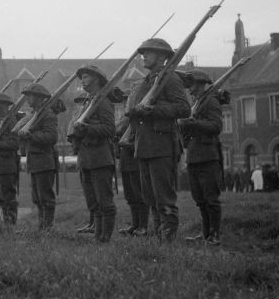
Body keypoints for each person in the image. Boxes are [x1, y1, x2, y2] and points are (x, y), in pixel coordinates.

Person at [126, 38, 191, 242]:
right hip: (144, 145)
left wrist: (153, 110)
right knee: (150, 197)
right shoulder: (146, 82)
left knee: (164, 197)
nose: (144, 56)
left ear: (163, 57)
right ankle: (158, 239)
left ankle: (168, 241)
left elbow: (184, 109)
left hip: (163, 145)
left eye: (149, 53)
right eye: (143, 52)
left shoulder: (170, 79)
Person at [178, 70, 224, 246]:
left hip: (208, 157)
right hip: (194, 156)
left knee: (211, 198)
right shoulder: (196, 103)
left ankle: (215, 234)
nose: (189, 90)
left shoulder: (211, 101)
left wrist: (194, 123)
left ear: (200, 84)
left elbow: (216, 126)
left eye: (192, 86)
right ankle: (206, 234)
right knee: (200, 199)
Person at [72, 65, 117, 243]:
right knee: (93, 202)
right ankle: (99, 237)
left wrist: (87, 128)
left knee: (104, 200)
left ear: (96, 79)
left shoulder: (103, 102)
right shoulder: (88, 102)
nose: (82, 80)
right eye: (81, 77)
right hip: (86, 157)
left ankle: (105, 237)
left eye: (86, 77)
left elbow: (109, 129)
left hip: (100, 157)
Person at [17, 83, 59, 231]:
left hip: (44, 161)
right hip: (34, 161)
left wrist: (31, 135)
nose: (27, 98)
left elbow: (52, 137)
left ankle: (47, 228)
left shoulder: (48, 115)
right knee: (37, 198)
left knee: (45, 197)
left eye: (30, 95)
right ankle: (42, 228)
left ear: (39, 97)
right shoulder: (33, 115)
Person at [115, 89, 151, 237]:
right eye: (124, 101)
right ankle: (135, 224)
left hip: (135, 159)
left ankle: (143, 226)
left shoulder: (136, 119)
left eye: (127, 101)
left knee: (140, 194)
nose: (125, 103)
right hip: (125, 160)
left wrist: (127, 145)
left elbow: (141, 140)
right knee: (130, 196)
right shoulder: (123, 119)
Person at [0, 92, 20, 225]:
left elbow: (15, 143)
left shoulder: (11, 121)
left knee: (8, 197)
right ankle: (7, 223)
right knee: (1, 198)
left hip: (7, 165)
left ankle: (10, 224)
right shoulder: (0, 122)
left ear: (3, 105)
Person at [68, 91, 95, 234]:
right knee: (89, 194)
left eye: (82, 102)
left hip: (92, 155)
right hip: (82, 156)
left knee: (96, 194)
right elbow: (71, 133)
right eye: (77, 102)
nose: (79, 105)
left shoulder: (88, 114)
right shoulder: (77, 116)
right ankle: (92, 222)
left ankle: (96, 224)